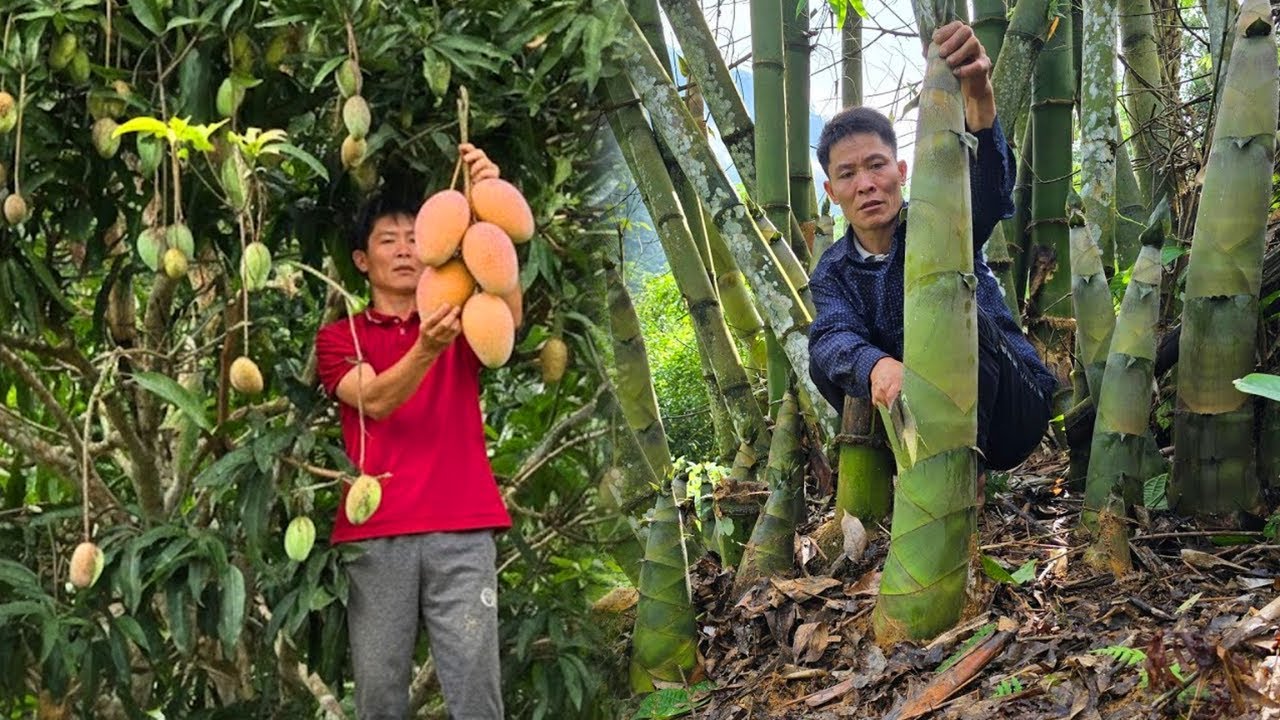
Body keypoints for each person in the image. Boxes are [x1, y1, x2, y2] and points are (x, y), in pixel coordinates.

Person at [314, 143, 517, 720]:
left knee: (478, 696)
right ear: (361, 260)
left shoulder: (463, 315)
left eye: (413, 239)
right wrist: (428, 346)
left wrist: (489, 212)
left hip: (464, 526)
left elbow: (506, 311)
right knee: (379, 697)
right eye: (388, 241)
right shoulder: (340, 338)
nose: (404, 251)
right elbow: (374, 400)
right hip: (376, 533)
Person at [807, 21, 1057, 477]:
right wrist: (876, 366)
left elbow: (989, 195)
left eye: (876, 166)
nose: (865, 185)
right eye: (847, 175)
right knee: (826, 362)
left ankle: (966, 484)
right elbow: (831, 335)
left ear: (901, 171)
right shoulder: (833, 271)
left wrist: (979, 96)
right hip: (916, 417)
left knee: (961, 319)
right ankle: (900, 471)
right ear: (831, 190)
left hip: (1012, 413)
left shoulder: (939, 222)